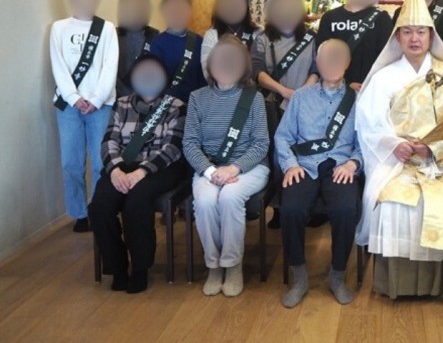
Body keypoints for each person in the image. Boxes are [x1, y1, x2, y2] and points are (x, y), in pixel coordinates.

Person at [356, 0, 443, 300]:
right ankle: (396, 284)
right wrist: (392, 144)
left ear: (431, 36)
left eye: (421, 32)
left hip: (439, 163)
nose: (414, 39)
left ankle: (438, 285)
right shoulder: (382, 77)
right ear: (397, 37)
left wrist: (432, 148)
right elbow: (368, 123)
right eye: (407, 31)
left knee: (441, 202)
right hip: (396, 163)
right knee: (393, 203)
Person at [275, 39, 362, 308]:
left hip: (340, 166)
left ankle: (337, 276)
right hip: (305, 165)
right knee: (290, 210)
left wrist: (354, 164)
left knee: (346, 209)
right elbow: (282, 137)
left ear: (347, 63)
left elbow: (366, 143)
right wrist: (290, 164)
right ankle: (299, 277)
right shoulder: (301, 97)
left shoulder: (358, 100)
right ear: (318, 63)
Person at [89, 55, 186, 293]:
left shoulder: (176, 106)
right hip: (123, 167)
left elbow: (173, 147)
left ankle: (141, 268)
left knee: (136, 202)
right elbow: (109, 141)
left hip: (160, 168)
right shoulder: (121, 104)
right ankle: (117, 267)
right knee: (99, 206)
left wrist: (142, 171)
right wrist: (115, 170)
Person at [183, 35, 270, 297]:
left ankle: (232, 265)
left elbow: (261, 144)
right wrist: (211, 172)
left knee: (230, 197)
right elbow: (190, 143)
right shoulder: (197, 97)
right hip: (209, 167)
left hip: (248, 167)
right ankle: (214, 265)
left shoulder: (253, 98)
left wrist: (234, 169)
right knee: (205, 201)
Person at [50, 0, 119, 232]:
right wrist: (74, 97)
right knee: (71, 162)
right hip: (69, 106)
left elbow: (110, 66)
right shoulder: (59, 28)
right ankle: (79, 213)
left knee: (101, 162)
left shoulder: (107, 28)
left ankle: (99, 209)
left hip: (100, 105)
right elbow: (58, 66)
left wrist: (96, 99)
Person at [316, 0, 393, 90]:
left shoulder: (381, 18)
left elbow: (387, 57)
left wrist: (371, 84)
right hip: (336, 90)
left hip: (372, 88)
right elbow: (322, 57)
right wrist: (346, 84)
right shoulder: (330, 18)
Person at [252, 0, 317, 113]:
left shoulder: (311, 37)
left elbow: (317, 69)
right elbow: (257, 72)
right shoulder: (263, 39)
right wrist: (284, 92)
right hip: (274, 105)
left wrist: (301, 93)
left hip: (305, 103)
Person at [149, 0, 206, 103]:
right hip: (168, 106)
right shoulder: (157, 43)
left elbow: (203, 79)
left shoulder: (198, 41)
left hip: (195, 104)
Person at [201, 0, 262, 77]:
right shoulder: (212, 35)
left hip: (252, 85)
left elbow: (262, 67)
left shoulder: (258, 31)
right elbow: (207, 71)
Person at [116, 0, 159, 97]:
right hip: (118, 98)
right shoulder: (113, 35)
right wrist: (126, 96)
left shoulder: (154, 36)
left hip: (146, 98)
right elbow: (108, 71)